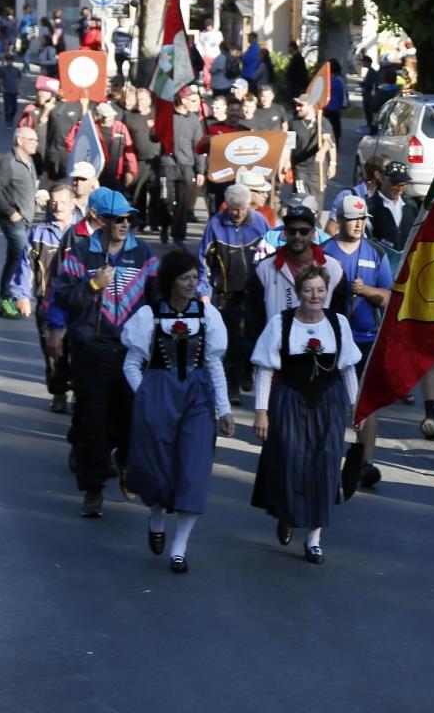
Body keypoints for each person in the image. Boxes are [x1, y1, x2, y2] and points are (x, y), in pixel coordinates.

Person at [121, 249, 235, 574]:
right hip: (160, 395)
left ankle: (180, 548)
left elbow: (213, 363)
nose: (191, 284)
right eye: (185, 278)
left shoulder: (207, 315)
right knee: (158, 467)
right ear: (170, 280)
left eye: (194, 277)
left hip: (197, 399)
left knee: (194, 470)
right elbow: (131, 365)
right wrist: (144, 395)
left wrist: (224, 409)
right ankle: (156, 517)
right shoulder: (150, 316)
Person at [52, 189, 159, 518]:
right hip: (91, 351)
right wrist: (92, 286)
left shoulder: (144, 254)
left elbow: (157, 300)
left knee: (131, 418)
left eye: (129, 218)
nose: (125, 224)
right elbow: (63, 298)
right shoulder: (80, 253)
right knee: (92, 421)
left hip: (131, 353)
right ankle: (93, 489)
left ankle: (125, 460)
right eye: (119, 219)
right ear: (102, 220)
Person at [250, 264, 362, 564]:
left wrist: (356, 407)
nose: (315, 295)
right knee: (289, 461)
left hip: (328, 402)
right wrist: (261, 411)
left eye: (320, 290)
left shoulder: (338, 323)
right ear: (298, 292)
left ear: (327, 292)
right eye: (309, 290)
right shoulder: (281, 322)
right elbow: (264, 370)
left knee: (324, 466)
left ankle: (314, 539)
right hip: (289, 400)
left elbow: (347, 368)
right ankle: (287, 514)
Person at [323, 195, 392, 491]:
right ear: (340, 219)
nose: (359, 225)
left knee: (366, 403)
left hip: (365, 340)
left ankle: (365, 462)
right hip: (330, 340)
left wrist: (366, 291)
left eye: (363, 220)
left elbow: (389, 297)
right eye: (354, 219)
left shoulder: (376, 252)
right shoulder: (323, 252)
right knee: (331, 401)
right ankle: (325, 458)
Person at [197, 183, 271, 406]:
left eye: (242, 208)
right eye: (233, 208)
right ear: (226, 206)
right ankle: (232, 386)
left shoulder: (260, 223)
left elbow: (272, 251)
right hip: (228, 292)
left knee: (254, 333)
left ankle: (248, 367)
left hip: (256, 291)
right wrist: (203, 291)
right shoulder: (215, 225)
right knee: (232, 339)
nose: (238, 213)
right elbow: (203, 260)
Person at [10, 183, 75, 412]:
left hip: (76, 304)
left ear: (73, 204)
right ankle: (58, 392)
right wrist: (22, 295)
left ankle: (78, 391)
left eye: (63, 202)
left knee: (76, 351)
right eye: (54, 202)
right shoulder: (39, 232)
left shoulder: (82, 232)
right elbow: (25, 265)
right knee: (53, 352)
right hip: (47, 303)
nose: (57, 206)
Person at [250, 204, 345, 324]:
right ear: (285, 233)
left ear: (313, 233)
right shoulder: (264, 269)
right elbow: (253, 319)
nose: (297, 236)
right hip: (278, 341)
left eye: (303, 231)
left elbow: (340, 316)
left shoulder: (333, 268)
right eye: (291, 231)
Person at [0, 127, 40, 319]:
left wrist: (35, 197)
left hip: (26, 218)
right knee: (20, 258)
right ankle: (7, 301)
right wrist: (11, 212)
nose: (36, 142)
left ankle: (5, 300)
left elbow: (25, 186)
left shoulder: (29, 161)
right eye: (32, 139)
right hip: (13, 220)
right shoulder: (7, 162)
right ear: (19, 141)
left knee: (15, 259)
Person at [160, 89, 206, 245]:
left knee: (183, 201)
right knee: (165, 199)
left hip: (187, 165)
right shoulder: (167, 116)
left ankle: (178, 234)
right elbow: (154, 137)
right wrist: (155, 130)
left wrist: (200, 170)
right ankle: (165, 225)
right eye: (191, 100)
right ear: (182, 100)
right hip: (168, 163)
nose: (194, 103)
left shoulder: (194, 120)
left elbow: (198, 146)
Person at [367, 161, 417, 261]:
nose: (399, 189)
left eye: (402, 185)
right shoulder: (370, 207)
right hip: (380, 263)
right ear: (382, 179)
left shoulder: (411, 206)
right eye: (395, 184)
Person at [287, 94, 335, 200]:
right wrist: (286, 162)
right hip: (299, 168)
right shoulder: (293, 123)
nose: (297, 108)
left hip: (317, 169)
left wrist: (331, 162)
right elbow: (288, 145)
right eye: (296, 105)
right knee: (300, 197)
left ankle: (315, 216)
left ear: (310, 106)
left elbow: (330, 142)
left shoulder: (322, 122)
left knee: (316, 199)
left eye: (300, 105)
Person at [122, 88, 160, 218]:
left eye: (143, 99)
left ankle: (155, 220)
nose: (140, 102)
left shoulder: (156, 114)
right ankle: (140, 219)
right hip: (139, 160)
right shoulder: (129, 116)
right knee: (139, 192)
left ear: (149, 100)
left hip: (156, 160)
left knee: (157, 190)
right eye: (138, 99)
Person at [0, 53, 21, 127]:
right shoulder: (3, 69)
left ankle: (11, 117)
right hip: (6, 91)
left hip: (14, 91)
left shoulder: (16, 69)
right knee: (7, 107)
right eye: (8, 60)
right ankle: (8, 121)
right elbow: (0, 79)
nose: (9, 62)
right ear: (6, 61)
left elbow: (19, 78)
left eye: (11, 60)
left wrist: (19, 88)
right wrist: (1, 87)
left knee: (15, 107)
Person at [324, 58, 346, 146]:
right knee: (336, 125)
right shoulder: (340, 80)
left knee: (328, 127)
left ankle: (331, 144)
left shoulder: (331, 81)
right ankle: (336, 143)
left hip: (329, 107)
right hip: (336, 107)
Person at [196, 20, 223, 90]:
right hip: (206, 56)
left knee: (215, 71)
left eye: (210, 26)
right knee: (206, 72)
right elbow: (199, 45)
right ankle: (207, 86)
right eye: (207, 26)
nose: (208, 27)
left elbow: (219, 41)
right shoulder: (203, 34)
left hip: (215, 55)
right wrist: (202, 54)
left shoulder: (217, 33)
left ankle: (215, 85)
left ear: (212, 26)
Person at [359, 55, 378, 127]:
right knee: (368, 116)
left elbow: (370, 85)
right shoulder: (370, 71)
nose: (362, 63)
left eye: (363, 61)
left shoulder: (372, 72)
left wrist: (362, 84)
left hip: (369, 97)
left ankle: (370, 129)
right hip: (367, 96)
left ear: (367, 62)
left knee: (369, 116)